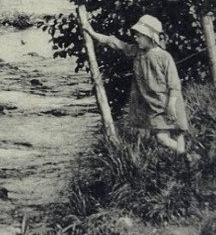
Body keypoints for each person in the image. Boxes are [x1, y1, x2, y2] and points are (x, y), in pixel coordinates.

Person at [80, 11, 190, 154]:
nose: (135, 38)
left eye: (139, 36)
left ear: (150, 37)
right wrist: (92, 33)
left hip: (170, 102)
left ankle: (185, 158)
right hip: (154, 104)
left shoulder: (164, 57)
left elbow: (174, 83)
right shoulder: (137, 52)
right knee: (162, 137)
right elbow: (115, 43)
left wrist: (171, 104)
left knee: (176, 133)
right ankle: (186, 155)